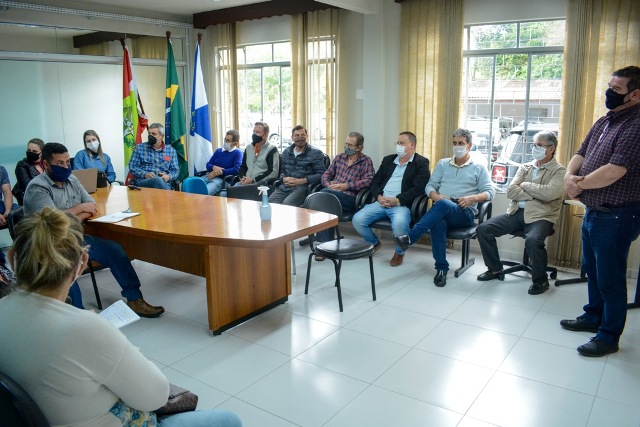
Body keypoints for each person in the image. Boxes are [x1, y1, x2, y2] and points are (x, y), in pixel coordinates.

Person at [0, 207, 242, 427]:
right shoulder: (84, 329)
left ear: (12, 258)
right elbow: (155, 396)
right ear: (82, 263)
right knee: (228, 420)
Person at [23, 142, 164, 317]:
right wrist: (79, 209)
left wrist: (72, 216)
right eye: (60, 163)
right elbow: (52, 223)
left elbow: (92, 205)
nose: (66, 167)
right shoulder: (37, 187)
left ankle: (135, 299)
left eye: (68, 162)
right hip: (48, 244)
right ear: (45, 164)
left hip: (74, 236)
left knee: (115, 250)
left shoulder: (72, 179)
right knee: (66, 264)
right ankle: (78, 316)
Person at [561, 66, 640, 357]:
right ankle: (593, 316)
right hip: (595, 210)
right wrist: (570, 176)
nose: (609, 93)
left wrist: (578, 185)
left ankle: (608, 336)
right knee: (592, 271)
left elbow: (615, 170)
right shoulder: (606, 120)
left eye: (616, 89)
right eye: (610, 86)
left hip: (618, 214)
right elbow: (581, 153)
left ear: (635, 94)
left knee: (610, 278)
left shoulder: (636, 124)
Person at [393, 128, 494, 286]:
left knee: (443, 205)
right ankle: (441, 269)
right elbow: (430, 186)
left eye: (461, 143)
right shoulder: (443, 164)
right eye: (454, 143)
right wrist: (435, 196)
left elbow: (490, 192)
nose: (457, 146)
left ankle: (411, 237)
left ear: (469, 145)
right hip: (442, 208)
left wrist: (471, 198)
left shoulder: (478, 167)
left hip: (464, 212)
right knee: (438, 221)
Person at [476, 131, 565, 295]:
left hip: (541, 216)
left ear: (551, 148)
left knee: (532, 240)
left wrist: (525, 186)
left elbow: (551, 194)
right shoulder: (526, 167)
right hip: (517, 213)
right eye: (534, 145)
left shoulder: (559, 171)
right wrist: (537, 195)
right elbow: (511, 191)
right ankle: (495, 269)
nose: (534, 148)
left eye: (539, 145)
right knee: (483, 229)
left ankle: (541, 280)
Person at [352, 131, 430, 267]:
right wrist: (379, 196)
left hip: (401, 205)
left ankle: (399, 252)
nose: (398, 146)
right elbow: (375, 181)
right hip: (381, 202)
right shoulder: (388, 159)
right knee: (357, 220)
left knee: (399, 223)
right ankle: (375, 244)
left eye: (401, 143)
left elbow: (419, 188)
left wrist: (398, 200)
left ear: (411, 145)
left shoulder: (421, 163)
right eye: (397, 143)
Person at [314, 131, 375, 256]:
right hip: (331, 194)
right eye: (346, 143)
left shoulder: (366, 161)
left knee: (323, 198)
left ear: (359, 148)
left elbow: (369, 181)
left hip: (351, 198)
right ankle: (326, 245)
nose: (346, 147)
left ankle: (323, 246)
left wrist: (347, 186)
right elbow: (326, 174)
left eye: (350, 145)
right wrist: (329, 185)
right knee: (327, 205)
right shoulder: (339, 157)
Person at [269, 125, 326, 206]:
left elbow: (321, 174)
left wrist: (302, 181)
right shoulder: (286, 152)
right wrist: (284, 179)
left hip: (302, 188)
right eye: (297, 135)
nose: (300, 138)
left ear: (307, 136)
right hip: (284, 187)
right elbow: (282, 171)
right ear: (292, 138)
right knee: (271, 204)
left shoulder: (316, 153)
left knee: (287, 205)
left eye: (303, 135)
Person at [129, 123, 179, 190]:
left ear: (162, 136)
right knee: (157, 180)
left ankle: (166, 197)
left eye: (154, 134)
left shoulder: (171, 151)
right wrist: (145, 174)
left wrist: (168, 177)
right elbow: (132, 167)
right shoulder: (139, 148)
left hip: (164, 182)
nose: (150, 136)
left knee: (159, 181)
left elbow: (175, 170)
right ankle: (169, 198)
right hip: (144, 182)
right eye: (149, 133)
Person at [237, 122, 280, 186]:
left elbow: (273, 172)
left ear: (266, 135)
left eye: (257, 132)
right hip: (245, 182)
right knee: (224, 194)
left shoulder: (272, 150)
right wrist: (243, 178)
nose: (254, 134)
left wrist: (253, 180)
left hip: (261, 184)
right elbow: (243, 167)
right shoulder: (248, 148)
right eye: (253, 132)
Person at [203, 130, 243, 195]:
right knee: (192, 186)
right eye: (225, 139)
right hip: (210, 176)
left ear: (235, 143)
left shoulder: (238, 153)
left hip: (223, 180)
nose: (225, 142)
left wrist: (220, 172)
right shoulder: (218, 151)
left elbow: (236, 169)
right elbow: (208, 164)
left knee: (203, 192)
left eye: (228, 141)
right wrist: (214, 167)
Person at [12, 137, 44, 205]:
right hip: (30, 200)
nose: (31, 153)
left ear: (41, 152)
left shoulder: (46, 164)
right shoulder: (22, 165)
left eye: (34, 151)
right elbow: (28, 186)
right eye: (29, 150)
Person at [0, 164, 18, 268]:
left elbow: (7, 192)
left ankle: (24, 250)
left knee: (19, 212)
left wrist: (7, 211)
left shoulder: (1, 169)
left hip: (1, 205)